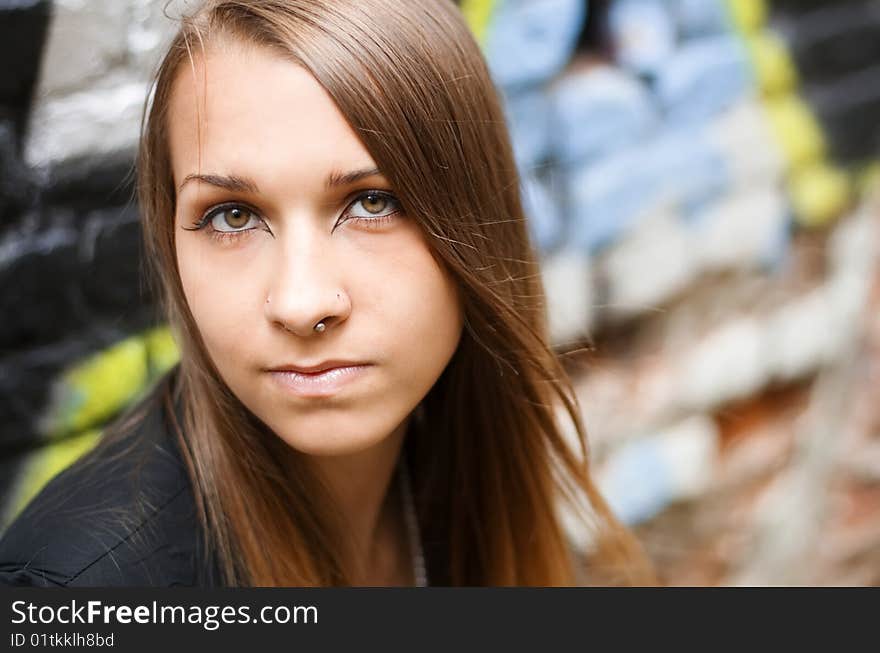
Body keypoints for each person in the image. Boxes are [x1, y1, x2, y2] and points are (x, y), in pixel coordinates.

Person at [0, 0, 654, 586]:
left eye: (373, 202)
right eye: (232, 215)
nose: (301, 302)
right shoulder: (79, 586)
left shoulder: (460, 470)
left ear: (476, 222)